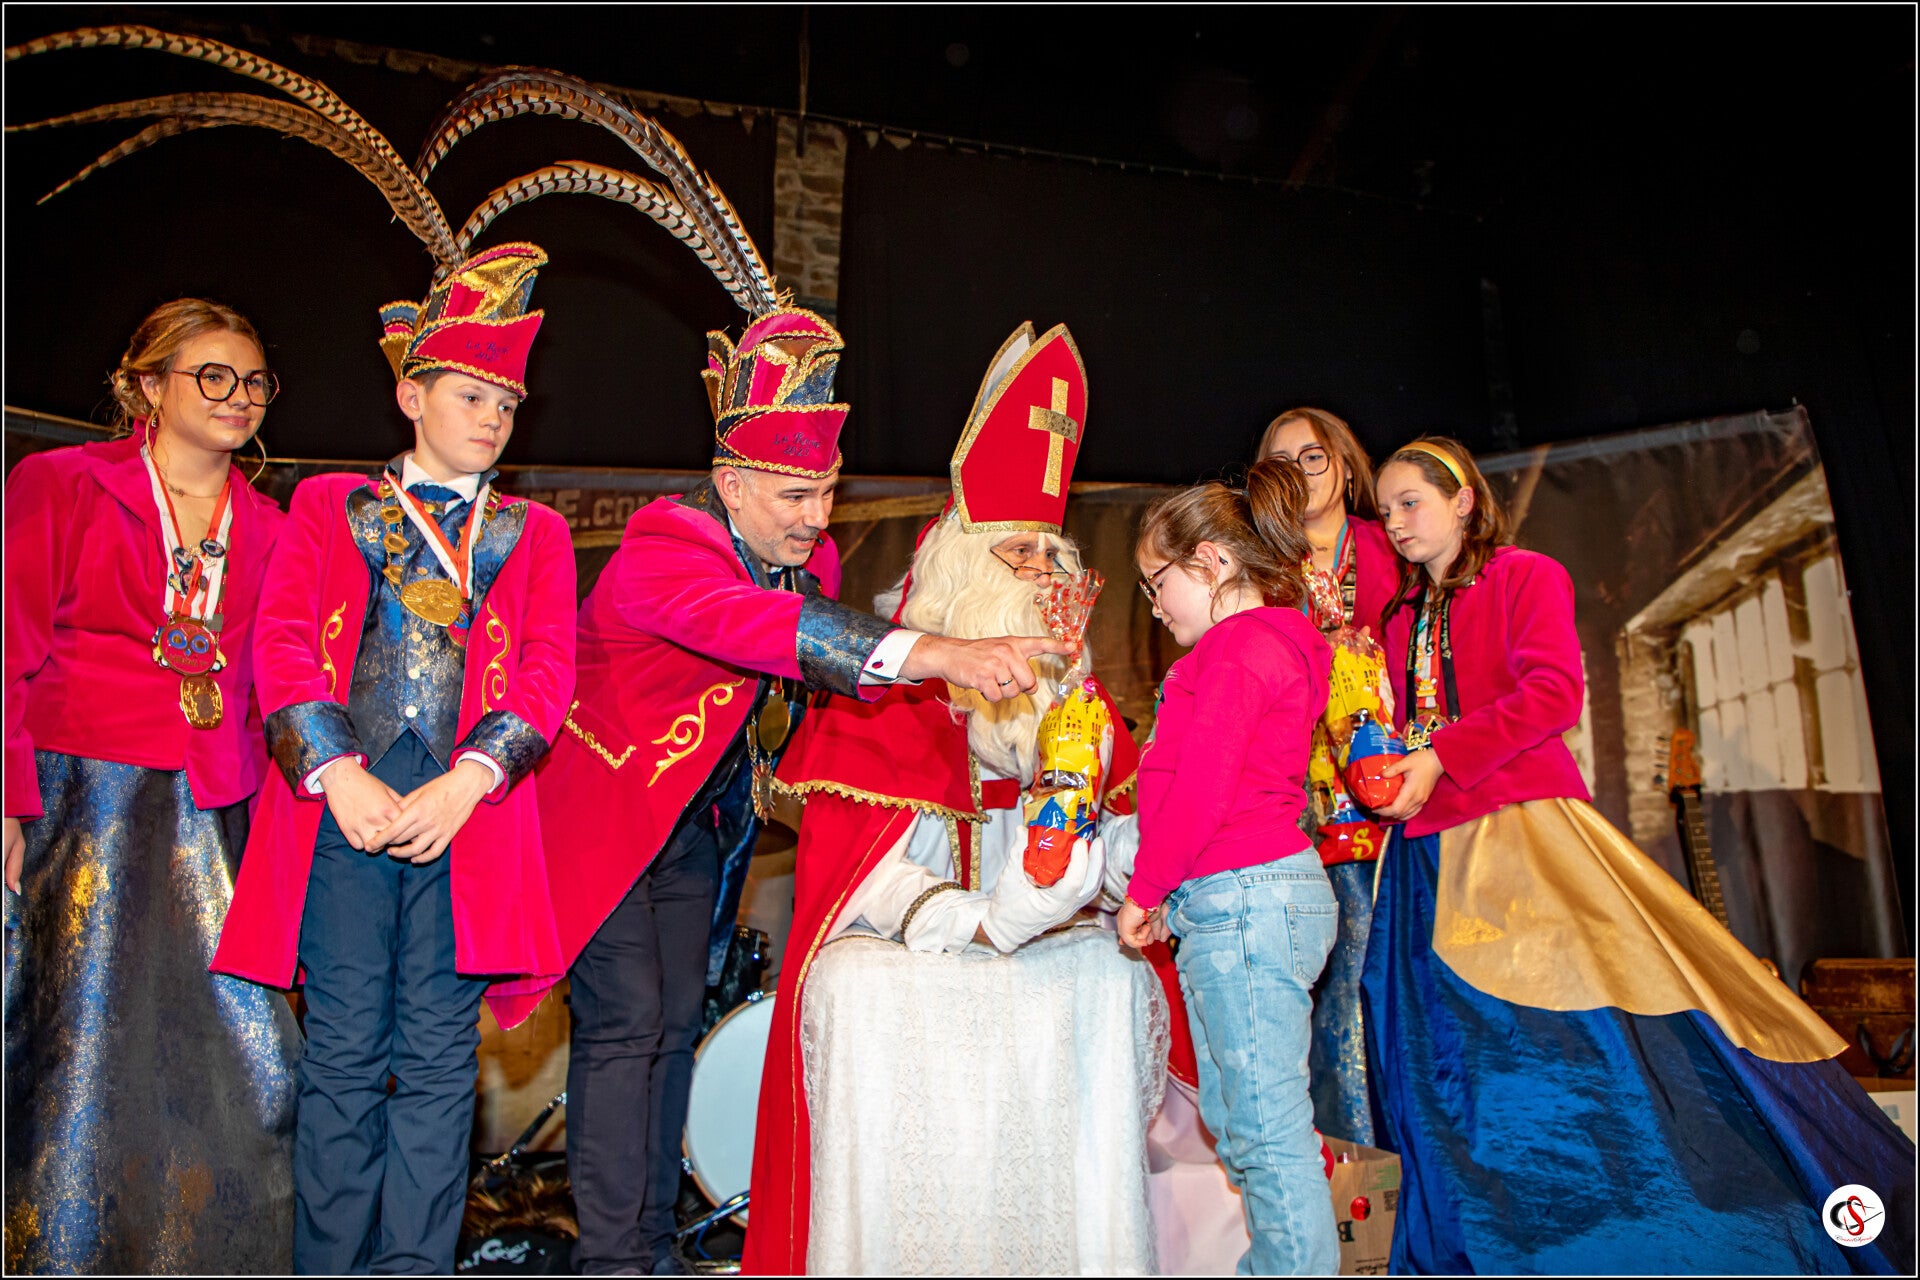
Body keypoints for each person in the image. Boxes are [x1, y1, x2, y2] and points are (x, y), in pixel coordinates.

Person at [507, 309, 1070, 1276]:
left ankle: (650, 1250)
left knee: (673, 1030)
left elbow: (830, 662)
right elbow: (763, 630)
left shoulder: (813, 564)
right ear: (731, 483)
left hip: (701, 827)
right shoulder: (660, 547)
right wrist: (941, 652)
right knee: (625, 1029)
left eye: (828, 491)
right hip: (607, 822)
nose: (818, 515)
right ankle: (611, 1262)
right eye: (796, 494)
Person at [1361, 436, 1916, 1274]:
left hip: (1521, 832)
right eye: (1386, 510)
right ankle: (1497, 1237)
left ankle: (1655, 1229)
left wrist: (1442, 756)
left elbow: (1553, 693)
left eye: (1411, 502)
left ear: (1464, 499)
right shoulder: (1400, 617)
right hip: (1424, 853)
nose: (1397, 522)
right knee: (1452, 1060)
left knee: (1584, 1037)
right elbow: (1411, 725)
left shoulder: (1524, 575)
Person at [745, 322, 1173, 1274]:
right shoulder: (886, 696)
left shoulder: (1081, 708)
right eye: (1022, 554)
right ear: (964, 568)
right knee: (853, 986)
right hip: (920, 954)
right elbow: (860, 877)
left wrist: (1113, 866)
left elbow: (1127, 845)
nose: (1047, 579)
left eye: (1055, 555)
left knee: (1111, 979)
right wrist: (976, 920)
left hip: (1045, 963)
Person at [211, 243, 579, 1274]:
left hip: (471, 819)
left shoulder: (536, 532)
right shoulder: (329, 504)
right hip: (346, 812)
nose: (493, 419)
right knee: (340, 1053)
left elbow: (549, 670)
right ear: (412, 396)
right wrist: (338, 771)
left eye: (507, 404)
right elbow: (282, 642)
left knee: (437, 1061)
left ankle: (414, 1266)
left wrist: (472, 778)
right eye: (471, 396)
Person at [3, 298, 301, 1274]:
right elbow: (7, 644)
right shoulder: (62, 484)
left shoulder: (274, 526)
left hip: (214, 805)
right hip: (79, 798)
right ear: (145, 385)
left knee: (235, 1052)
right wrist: (6, 799)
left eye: (253, 381)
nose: (237, 397)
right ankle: (58, 1249)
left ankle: (204, 1253)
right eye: (211, 375)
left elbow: (275, 685)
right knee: (76, 1039)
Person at [1117, 456, 1340, 1276]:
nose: (1155, 606)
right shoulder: (1254, 647)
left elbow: (1204, 788)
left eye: (1158, 583)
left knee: (1266, 1130)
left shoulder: (1241, 649)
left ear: (1211, 562)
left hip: (1248, 898)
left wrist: (1146, 889)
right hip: (1242, 897)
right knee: (1242, 1121)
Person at [1257, 405, 1398, 1146]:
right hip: (1300, 813)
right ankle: (1351, 1164)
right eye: (1280, 463)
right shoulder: (1255, 568)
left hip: (1404, 795)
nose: (1299, 474)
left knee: (1396, 980)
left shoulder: (1393, 547)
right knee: (1328, 990)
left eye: (1312, 457)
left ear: (1344, 466)